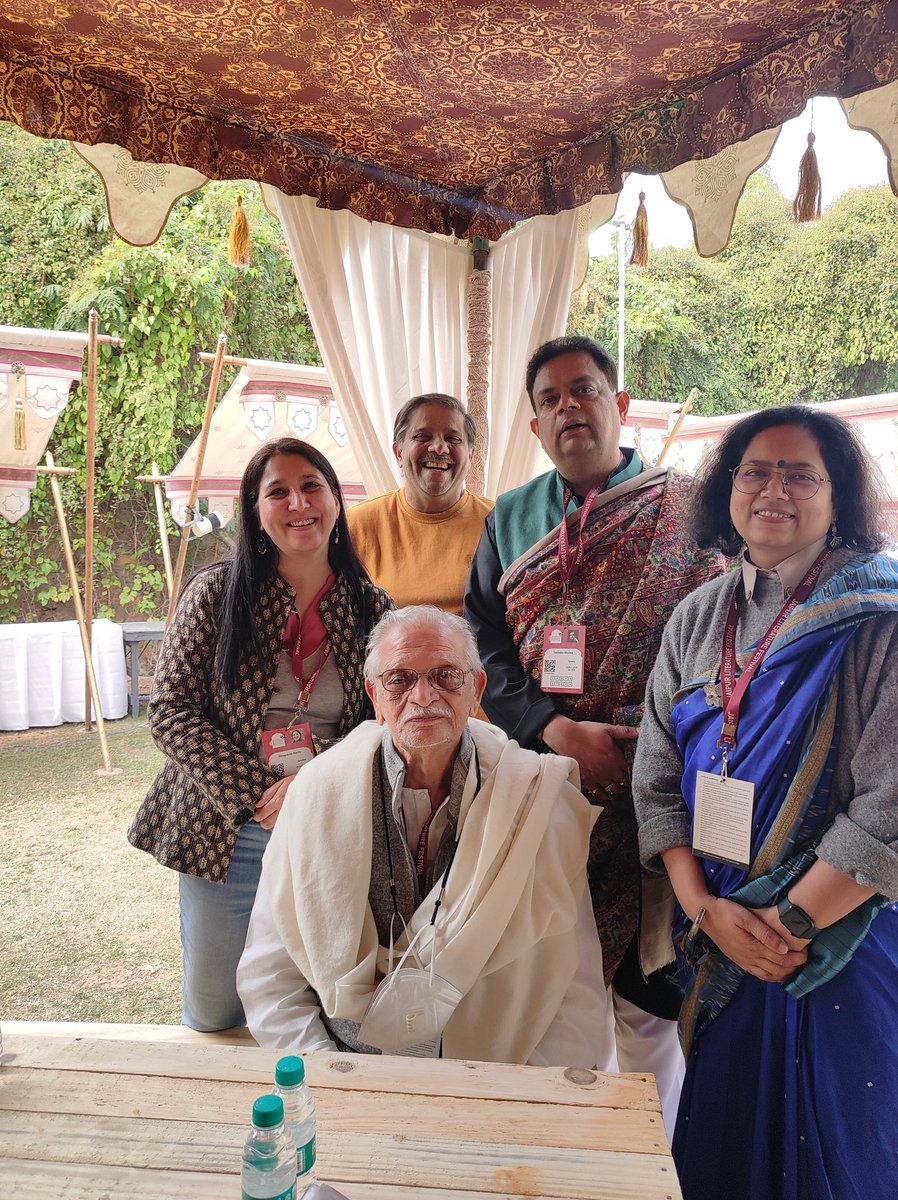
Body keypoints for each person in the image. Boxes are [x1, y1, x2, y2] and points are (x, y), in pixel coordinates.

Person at [632, 405, 898, 1199]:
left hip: (834, 948)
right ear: (729, 488)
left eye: (800, 473)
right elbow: (654, 777)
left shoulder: (878, 620)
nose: (773, 488)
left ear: (837, 496)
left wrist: (785, 928)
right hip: (716, 933)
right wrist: (705, 910)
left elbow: (890, 806)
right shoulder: (697, 616)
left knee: (837, 1154)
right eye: (755, 470)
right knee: (725, 1149)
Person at [464, 335, 725, 1128]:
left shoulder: (687, 509)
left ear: (619, 405)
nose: (568, 407)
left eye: (583, 390)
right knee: (556, 975)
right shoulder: (510, 517)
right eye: (549, 400)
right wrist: (553, 729)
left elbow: (728, 637)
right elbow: (485, 642)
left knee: (650, 987)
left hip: (664, 788)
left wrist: (655, 750)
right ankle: (578, 1148)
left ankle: (653, 1149)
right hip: (545, 782)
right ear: (536, 427)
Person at [237, 605, 610, 1067]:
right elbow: (271, 974)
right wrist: (331, 1077)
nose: (423, 696)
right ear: (374, 696)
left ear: (477, 690)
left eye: (446, 676)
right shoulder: (316, 794)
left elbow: (575, 982)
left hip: (495, 1070)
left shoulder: (535, 796)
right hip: (346, 1064)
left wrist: (527, 1095)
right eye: (400, 679)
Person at [128, 437, 393, 1031]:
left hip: (327, 820)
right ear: (254, 510)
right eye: (278, 491)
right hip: (227, 828)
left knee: (319, 998)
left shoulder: (371, 607)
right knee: (217, 1010)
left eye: (311, 486)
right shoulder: (218, 594)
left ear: (335, 501)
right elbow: (170, 709)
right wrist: (257, 793)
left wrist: (309, 782)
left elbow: (382, 721)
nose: (298, 503)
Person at [347, 393, 493, 614]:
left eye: (453, 439)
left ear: (471, 456)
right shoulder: (358, 524)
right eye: (422, 437)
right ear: (398, 452)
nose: (439, 448)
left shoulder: (498, 523)